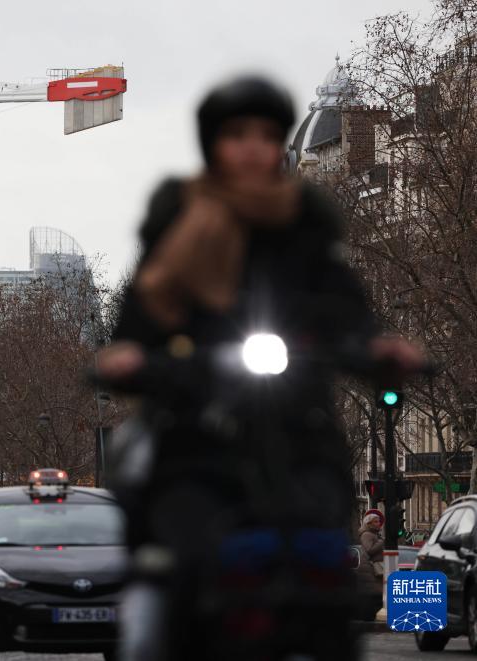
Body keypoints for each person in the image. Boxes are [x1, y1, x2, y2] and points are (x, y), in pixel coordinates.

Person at [98, 75, 425, 661]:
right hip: (197, 426)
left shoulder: (307, 227)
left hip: (296, 424)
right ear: (213, 145)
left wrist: (378, 349)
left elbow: (345, 307)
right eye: (237, 134)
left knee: (326, 554)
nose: (252, 148)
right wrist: (129, 355)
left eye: (267, 135)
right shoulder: (179, 221)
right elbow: (143, 312)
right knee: (165, 562)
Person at [360, 511, 385, 577]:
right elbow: (369, 550)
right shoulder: (366, 534)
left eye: (379, 521)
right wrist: (381, 542)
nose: (379, 523)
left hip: (378, 565)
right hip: (373, 567)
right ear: (369, 524)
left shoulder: (375, 534)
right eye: (375, 522)